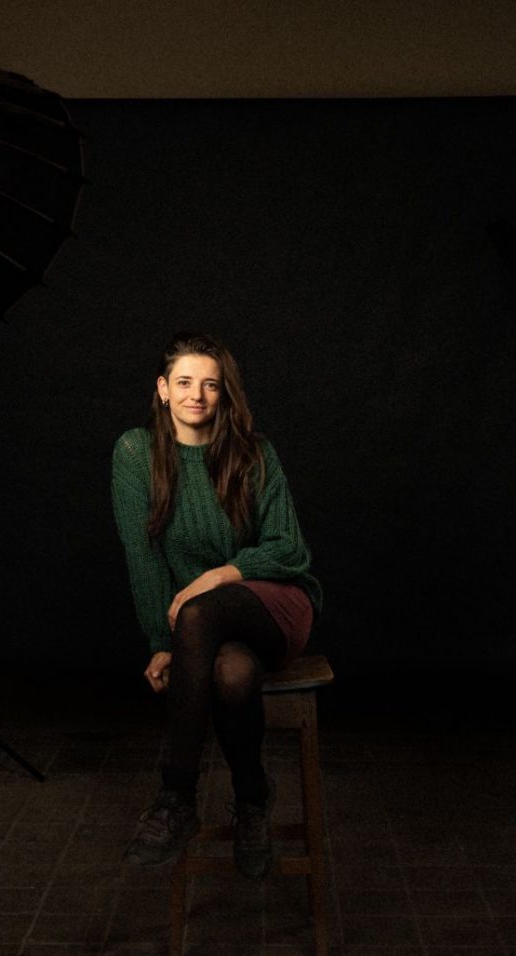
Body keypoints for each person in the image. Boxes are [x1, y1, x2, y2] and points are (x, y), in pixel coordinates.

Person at [111, 332, 322, 878]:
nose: (196, 396)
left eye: (210, 385)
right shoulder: (136, 454)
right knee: (231, 674)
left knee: (201, 609)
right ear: (163, 389)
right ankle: (253, 801)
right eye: (184, 382)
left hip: (273, 605)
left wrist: (221, 574)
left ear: (225, 393)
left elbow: (288, 548)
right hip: (203, 628)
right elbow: (143, 557)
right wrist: (162, 644)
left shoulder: (253, 454)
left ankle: (176, 796)